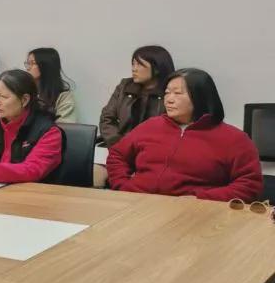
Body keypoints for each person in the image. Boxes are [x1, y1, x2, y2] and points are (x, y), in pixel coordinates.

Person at [106, 68, 262, 201]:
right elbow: (117, 156)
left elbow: (249, 185)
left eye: (178, 93)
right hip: (138, 204)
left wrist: (201, 199)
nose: (169, 100)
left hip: (194, 212)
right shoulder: (150, 126)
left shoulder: (233, 139)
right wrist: (123, 186)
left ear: (200, 96)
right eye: (167, 93)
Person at [98, 45, 175, 147]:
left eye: (139, 65)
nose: (134, 69)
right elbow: (107, 118)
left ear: (157, 68)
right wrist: (118, 143)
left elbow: (174, 129)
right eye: (133, 64)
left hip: (155, 149)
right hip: (120, 146)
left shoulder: (171, 92)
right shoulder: (125, 86)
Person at [25, 47, 77, 122]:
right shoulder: (24, 92)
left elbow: (66, 125)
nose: (28, 68)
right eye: (28, 63)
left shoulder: (63, 97)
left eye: (32, 63)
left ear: (46, 66)